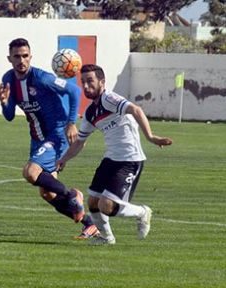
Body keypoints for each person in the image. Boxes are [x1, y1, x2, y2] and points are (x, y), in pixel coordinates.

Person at [57, 64, 173, 245]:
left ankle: (142, 212)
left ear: (102, 82)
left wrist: (150, 137)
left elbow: (136, 110)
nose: (86, 86)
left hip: (130, 159)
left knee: (106, 205)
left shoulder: (109, 99)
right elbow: (80, 142)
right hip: (111, 159)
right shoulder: (90, 112)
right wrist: (63, 159)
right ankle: (107, 238)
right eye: (83, 82)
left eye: (90, 81)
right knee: (93, 202)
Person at [0, 38, 98, 239]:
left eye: (25, 56)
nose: (21, 60)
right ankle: (90, 224)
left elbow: (74, 90)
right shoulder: (8, 79)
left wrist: (71, 123)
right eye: (16, 56)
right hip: (38, 139)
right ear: (9, 58)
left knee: (30, 172)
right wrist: (4, 102)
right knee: (47, 193)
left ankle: (72, 195)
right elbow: (9, 116)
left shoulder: (42, 78)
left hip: (57, 135)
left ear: (30, 57)